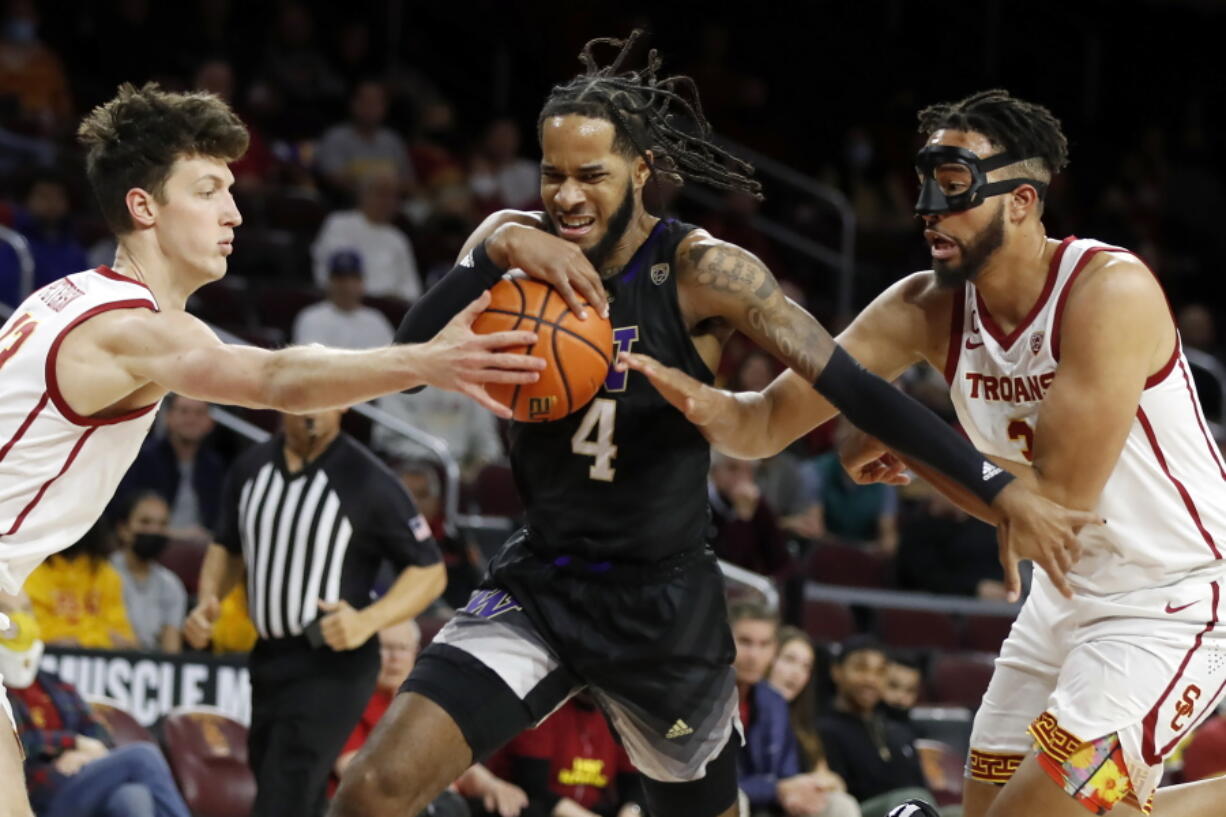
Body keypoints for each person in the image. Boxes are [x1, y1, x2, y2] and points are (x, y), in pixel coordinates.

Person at [329, 36, 1093, 817]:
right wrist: (489, 248)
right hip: (541, 581)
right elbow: (406, 358)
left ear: (642, 168)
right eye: (552, 174)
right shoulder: (510, 248)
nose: (565, 196)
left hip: (663, 607)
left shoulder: (702, 270)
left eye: (591, 175)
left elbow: (850, 384)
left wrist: (995, 486)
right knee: (370, 791)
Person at [620, 88, 1226, 817]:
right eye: (924, 184)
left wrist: (904, 431)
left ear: (1023, 201)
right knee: (1012, 808)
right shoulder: (924, 305)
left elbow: (1052, 505)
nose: (929, 208)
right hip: (1063, 598)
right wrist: (693, 397)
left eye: (956, 185)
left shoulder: (1108, 291)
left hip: (1174, 597)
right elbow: (766, 423)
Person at [0, 79, 571, 817]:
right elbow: (270, 375)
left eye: (231, 190)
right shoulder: (132, 327)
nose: (234, 211)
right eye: (208, 190)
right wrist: (426, 360)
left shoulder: (67, 296)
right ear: (144, 206)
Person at [183, 407, 447, 817]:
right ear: (281, 399)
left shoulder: (367, 478)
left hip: (333, 659)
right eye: (303, 395)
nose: (312, 409)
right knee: (273, 773)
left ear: (344, 404)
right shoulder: (251, 466)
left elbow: (430, 571)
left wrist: (368, 620)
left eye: (326, 396)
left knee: (287, 784)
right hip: (270, 653)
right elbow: (227, 544)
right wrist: (207, 602)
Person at [0, 589, 191, 817]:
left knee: (131, 797)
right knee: (143, 756)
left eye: (26, 610)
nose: (20, 619)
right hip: (36, 793)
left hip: (79, 781)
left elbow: (99, 733)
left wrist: (85, 754)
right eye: (7, 611)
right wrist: (74, 742)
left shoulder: (54, 682)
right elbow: (18, 744)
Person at [735, 607, 859, 817]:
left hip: (773, 803)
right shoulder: (712, 696)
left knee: (839, 804)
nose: (753, 655)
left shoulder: (776, 705)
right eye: (790, 660)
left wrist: (811, 786)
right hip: (738, 798)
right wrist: (779, 789)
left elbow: (789, 776)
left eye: (806, 666)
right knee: (736, 800)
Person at [816, 637, 931, 817]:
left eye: (880, 672)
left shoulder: (899, 731)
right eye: (861, 668)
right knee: (911, 802)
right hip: (857, 812)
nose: (871, 679)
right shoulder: (822, 729)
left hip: (908, 809)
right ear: (836, 671)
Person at [115, 393, 225, 542]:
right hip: (149, 545)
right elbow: (125, 512)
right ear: (168, 417)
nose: (191, 419)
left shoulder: (215, 466)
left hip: (201, 549)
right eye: (184, 411)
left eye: (199, 413)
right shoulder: (143, 458)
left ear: (210, 422)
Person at [24, 518, 137, 650]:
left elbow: (124, 637)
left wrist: (85, 639)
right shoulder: (29, 572)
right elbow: (28, 631)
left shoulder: (108, 575)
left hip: (98, 659)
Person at [311, 168, 423, 301]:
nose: (388, 201)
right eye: (382, 193)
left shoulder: (398, 238)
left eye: (394, 196)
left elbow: (411, 288)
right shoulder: (339, 224)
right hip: (346, 304)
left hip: (390, 309)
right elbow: (329, 271)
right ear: (363, 194)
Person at [108, 491, 186, 653]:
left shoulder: (171, 585)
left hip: (152, 669)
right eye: (145, 522)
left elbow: (171, 649)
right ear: (124, 529)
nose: (154, 531)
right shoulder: (101, 573)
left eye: (162, 524)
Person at [292, 250, 395, 349]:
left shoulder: (376, 320)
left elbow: (390, 358)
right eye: (340, 279)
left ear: (362, 282)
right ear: (329, 282)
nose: (347, 286)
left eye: (353, 278)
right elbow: (312, 361)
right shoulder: (310, 318)